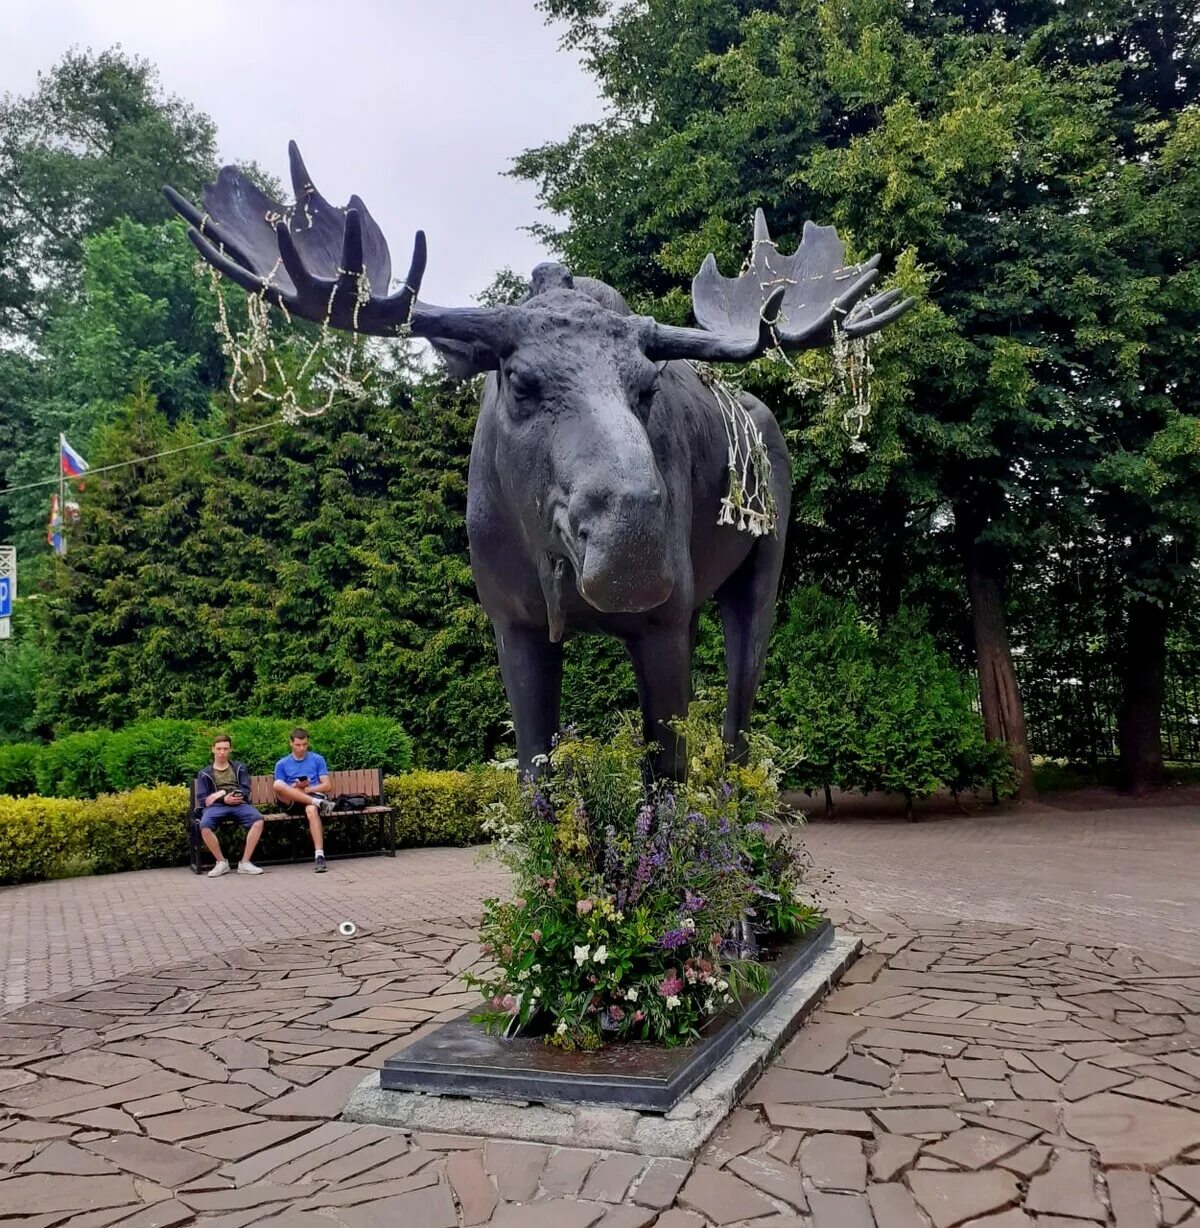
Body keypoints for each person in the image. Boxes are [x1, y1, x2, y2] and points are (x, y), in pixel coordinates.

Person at [196, 734, 265, 878]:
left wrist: (236, 796)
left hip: (238, 804)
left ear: (230, 750)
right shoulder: (204, 773)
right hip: (216, 807)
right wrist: (223, 799)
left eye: (225, 749)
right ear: (213, 749)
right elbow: (203, 799)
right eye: (219, 749)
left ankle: (245, 863)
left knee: (258, 820)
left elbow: (246, 789)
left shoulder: (240, 767)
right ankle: (221, 862)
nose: (222, 752)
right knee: (204, 825)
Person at [273, 727, 334, 873]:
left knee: (311, 809)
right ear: (291, 743)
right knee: (277, 784)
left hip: (313, 795)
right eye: (298, 745)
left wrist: (307, 789)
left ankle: (319, 856)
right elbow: (280, 789)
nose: (302, 748)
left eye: (305, 744)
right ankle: (320, 803)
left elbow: (327, 785)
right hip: (292, 800)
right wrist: (295, 787)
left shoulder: (317, 759)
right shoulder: (282, 764)